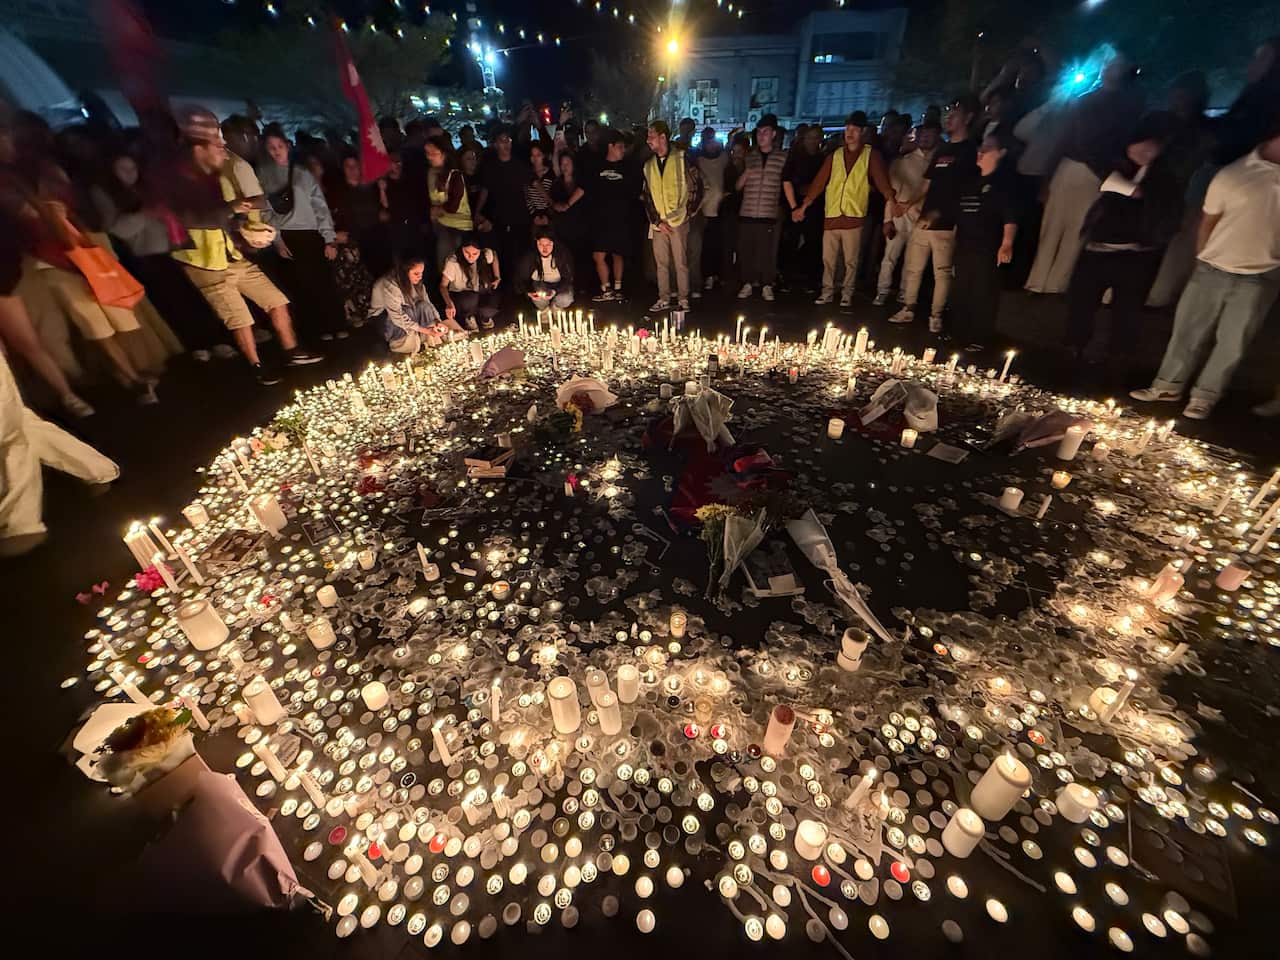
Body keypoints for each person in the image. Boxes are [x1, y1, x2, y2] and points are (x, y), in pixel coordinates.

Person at [1130, 126, 1280, 421]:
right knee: (1188, 330)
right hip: (1213, 267)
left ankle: (1205, 396)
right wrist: (1203, 258)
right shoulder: (1235, 174)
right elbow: (1209, 220)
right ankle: (1168, 386)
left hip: (1261, 273)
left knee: (1233, 342)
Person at [164, 107, 320, 384]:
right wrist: (232, 209)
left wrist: (246, 222)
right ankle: (257, 366)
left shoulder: (227, 168)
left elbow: (248, 203)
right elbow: (188, 219)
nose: (222, 146)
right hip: (204, 262)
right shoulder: (176, 178)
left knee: (277, 301)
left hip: (233, 255)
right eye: (215, 141)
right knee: (240, 319)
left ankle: (292, 350)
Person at [1065, 116, 1184, 372]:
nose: (1146, 153)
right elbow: (1092, 155)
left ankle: (1117, 358)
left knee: (1127, 311)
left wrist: (1145, 197)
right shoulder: (1113, 163)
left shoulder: (1165, 176)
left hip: (1137, 257)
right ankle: (1074, 348)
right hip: (1097, 250)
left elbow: (1168, 213)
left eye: (1154, 148)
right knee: (1081, 303)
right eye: (1142, 145)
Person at [91, 152, 231, 363]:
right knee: (171, 303)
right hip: (143, 257)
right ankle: (196, 344)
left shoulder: (146, 190)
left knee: (191, 298)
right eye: (122, 169)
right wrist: (145, 213)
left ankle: (216, 339)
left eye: (132, 168)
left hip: (166, 251)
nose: (129, 174)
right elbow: (117, 230)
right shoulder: (107, 195)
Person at [1025, 54, 1145, 294]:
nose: (1108, 69)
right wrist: (1048, 176)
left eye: (1115, 66)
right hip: (1077, 167)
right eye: (1107, 65)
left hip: (1095, 172)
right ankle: (1040, 282)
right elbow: (1066, 140)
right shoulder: (1088, 101)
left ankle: (1055, 284)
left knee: (1077, 229)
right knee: (1055, 226)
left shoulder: (1127, 105)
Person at [889, 96, 979, 330]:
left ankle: (935, 316)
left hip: (946, 224)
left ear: (968, 118)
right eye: (947, 115)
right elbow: (927, 184)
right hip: (923, 219)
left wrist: (940, 214)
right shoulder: (943, 150)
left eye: (954, 115)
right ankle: (908, 308)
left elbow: (962, 189)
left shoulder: (969, 151)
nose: (949, 119)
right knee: (913, 267)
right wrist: (910, 204)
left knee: (942, 272)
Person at [794, 112, 899, 308]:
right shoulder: (835, 155)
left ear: (863, 132)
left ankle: (847, 292)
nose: (850, 133)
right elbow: (819, 182)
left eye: (855, 130)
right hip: (832, 214)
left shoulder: (871, 155)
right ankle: (827, 291)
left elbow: (882, 181)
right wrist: (804, 206)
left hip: (854, 214)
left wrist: (891, 200)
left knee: (851, 259)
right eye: (848, 129)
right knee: (828, 259)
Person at [256, 124, 346, 340]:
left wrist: (329, 238)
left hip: (310, 232)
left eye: (279, 146)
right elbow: (264, 211)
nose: (276, 151)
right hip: (287, 234)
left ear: (287, 146)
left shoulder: (302, 173)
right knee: (301, 285)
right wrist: (277, 240)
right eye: (271, 147)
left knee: (323, 281)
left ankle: (336, 323)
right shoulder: (263, 175)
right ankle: (315, 329)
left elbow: (319, 206)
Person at [948, 132, 1020, 351]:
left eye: (987, 149)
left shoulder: (1003, 185)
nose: (981, 152)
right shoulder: (971, 182)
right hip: (964, 247)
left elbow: (1010, 217)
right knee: (961, 290)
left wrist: (1006, 243)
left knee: (983, 293)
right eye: (980, 148)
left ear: (1001, 153)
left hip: (986, 249)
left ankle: (979, 338)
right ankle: (958, 333)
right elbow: (959, 216)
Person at [876, 121, 939, 306]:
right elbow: (891, 192)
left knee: (913, 261)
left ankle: (905, 293)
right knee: (890, 256)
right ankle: (882, 290)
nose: (925, 138)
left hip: (922, 219)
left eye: (930, 135)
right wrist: (887, 219)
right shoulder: (902, 161)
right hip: (900, 216)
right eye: (923, 134)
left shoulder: (938, 163)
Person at [643, 121, 701, 313]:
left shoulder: (682, 158)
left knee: (680, 262)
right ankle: (664, 297)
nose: (648, 140)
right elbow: (647, 196)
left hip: (679, 220)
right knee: (661, 263)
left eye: (651, 136)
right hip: (659, 223)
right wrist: (657, 221)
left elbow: (696, 186)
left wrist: (687, 213)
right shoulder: (649, 165)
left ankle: (683, 298)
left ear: (663, 137)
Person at [326, 153, 385, 328]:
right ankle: (360, 313)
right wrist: (333, 237)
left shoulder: (371, 188)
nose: (352, 170)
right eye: (348, 166)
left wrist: (382, 189)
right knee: (355, 281)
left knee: (378, 274)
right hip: (350, 242)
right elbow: (329, 218)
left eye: (355, 166)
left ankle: (380, 311)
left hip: (374, 237)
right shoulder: (338, 193)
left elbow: (382, 210)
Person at [735, 114, 788, 302]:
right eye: (759, 132)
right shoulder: (750, 157)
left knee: (767, 251)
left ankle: (767, 284)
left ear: (773, 134)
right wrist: (747, 173)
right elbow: (737, 186)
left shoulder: (782, 157)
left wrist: (790, 207)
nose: (761, 136)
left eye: (766, 132)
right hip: (747, 211)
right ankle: (747, 283)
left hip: (768, 212)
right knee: (746, 250)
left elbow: (786, 184)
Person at [370, 256, 459, 355]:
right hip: (384, 320)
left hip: (408, 314)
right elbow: (397, 315)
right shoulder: (390, 284)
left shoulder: (417, 283)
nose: (420, 277)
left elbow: (428, 303)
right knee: (407, 310)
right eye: (416, 273)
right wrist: (426, 330)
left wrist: (438, 322)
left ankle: (430, 341)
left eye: (421, 273)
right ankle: (406, 347)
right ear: (404, 272)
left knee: (423, 306)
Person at [477, 126, 532, 287]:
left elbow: (529, 187)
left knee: (521, 251)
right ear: (495, 144)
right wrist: (477, 211)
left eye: (508, 140)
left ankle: (522, 286)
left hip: (520, 215)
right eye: (502, 141)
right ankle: (505, 285)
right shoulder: (491, 167)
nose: (506, 144)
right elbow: (485, 190)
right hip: (499, 215)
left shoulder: (519, 164)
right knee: (503, 252)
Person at [590, 130, 641, 303]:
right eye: (620, 147)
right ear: (610, 146)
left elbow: (635, 191)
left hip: (621, 218)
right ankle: (606, 289)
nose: (623, 150)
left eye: (624, 147)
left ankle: (618, 288)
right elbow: (588, 189)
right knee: (599, 255)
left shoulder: (628, 167)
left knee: (618, 253)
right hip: (601, 219)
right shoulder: (597, 166)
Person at [780, 123, 825, 293]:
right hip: (795, 204)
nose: (812, 141)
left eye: (816, 138)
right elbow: (787, 180)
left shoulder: (823, 159)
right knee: (790, 242)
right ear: (804, 139)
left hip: (815, 207)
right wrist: (794, 207)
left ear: (820, 139)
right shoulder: (794, 157)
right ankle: (786, 278)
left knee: (814, 243)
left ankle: (811, 279)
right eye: (809, 137)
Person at [690, 127, 730, 295]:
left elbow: (730, 175)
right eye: (708, 141)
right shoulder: (698, 160)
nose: (711, 145)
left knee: (719, 245)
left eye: (713, 141)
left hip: (720, 209)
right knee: (705, 247)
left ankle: (718, 275)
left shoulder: (724, 158)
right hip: (703, 211)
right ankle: (707, 276)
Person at [425, 134, 473, 269]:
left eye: (434, 153)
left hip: (458, 227)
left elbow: (454, 205)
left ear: (444, 154)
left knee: (453, 266)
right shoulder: (431, 172)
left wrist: (438, 209)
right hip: (440, 224)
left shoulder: (455, 175)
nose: (429, 157)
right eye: (427, 153)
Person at [440, 235, 501, 331]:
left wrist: (497, 276)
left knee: (493, 301)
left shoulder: (484, 255)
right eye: (467, 252)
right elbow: (443, 286)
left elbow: (493, 254)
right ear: (462, 249)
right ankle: (469, 317)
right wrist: (449, 303)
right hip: (462, 296)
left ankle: (484, 317)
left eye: (475, 253)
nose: (471, 257)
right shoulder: (453, 262)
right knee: (470, 298)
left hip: (479, 291)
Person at [550, 151, 588, 285]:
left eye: (568, 163)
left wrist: (568, 205)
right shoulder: (557, 184)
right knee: (565, 257)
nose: (564, 167)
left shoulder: (580, 182)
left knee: (581, 258)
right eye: (562, 164)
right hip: (563, 228)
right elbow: (554, 204)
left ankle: (582, 285)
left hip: (580, 226)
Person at [517, 228, 575, 311]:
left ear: (553, 243)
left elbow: (568, 278)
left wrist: (555, 291)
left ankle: (556, 307)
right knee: (540, 300)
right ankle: (544, 310)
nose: (545, 249)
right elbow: (520, 279)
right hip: (540, 284)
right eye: (541, 245)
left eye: (548, 245)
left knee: (565, 299)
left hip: (560, 283)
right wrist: (528, 292)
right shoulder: (530, 257)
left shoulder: (562, 255)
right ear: (537, 243)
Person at [525, 141, 555, 230]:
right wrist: (534, 215)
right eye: (533, 155)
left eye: (538, 155)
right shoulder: (528, 175)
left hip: (550, 216)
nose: (535, 158)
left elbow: (555, 196)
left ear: (543, 156)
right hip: (534, 218)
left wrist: (549, 216)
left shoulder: (551, 174)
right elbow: (526, 197)